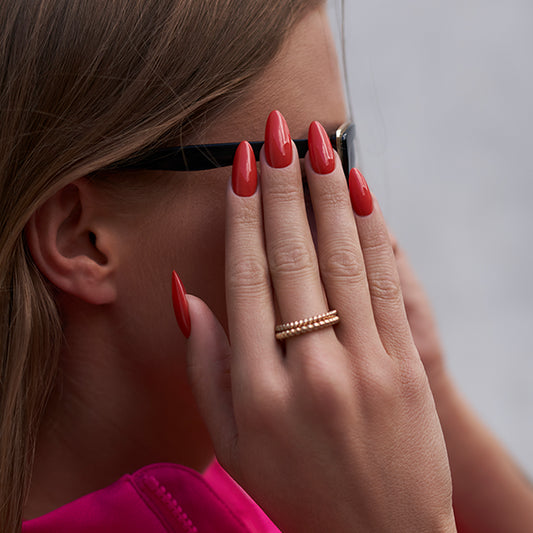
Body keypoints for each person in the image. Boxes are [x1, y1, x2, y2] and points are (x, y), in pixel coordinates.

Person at [1, 1, 533, 532]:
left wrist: (428, 402)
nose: (346, 224)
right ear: (83, 237)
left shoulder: (288, 466)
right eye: (302, 173)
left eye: (342, 155)